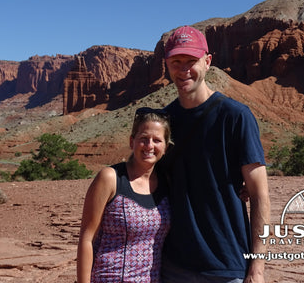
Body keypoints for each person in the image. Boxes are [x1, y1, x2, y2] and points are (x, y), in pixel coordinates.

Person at [161, 26, 271, 283]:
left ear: (208, 62)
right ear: (166, 65)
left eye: (191, 61)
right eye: (176, 62)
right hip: (173, 266)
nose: (183, 69)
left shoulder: (235, 117)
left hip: (226, 265)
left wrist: (257, 269)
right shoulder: (163, 121)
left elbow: (259, 195)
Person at [77, 107, 172, 283]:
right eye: (143, 139)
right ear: (132, 142)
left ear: (165, 147)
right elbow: (87, 238)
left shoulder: (168, 182)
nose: (149, 146)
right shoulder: (110, 178)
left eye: (157, 140)